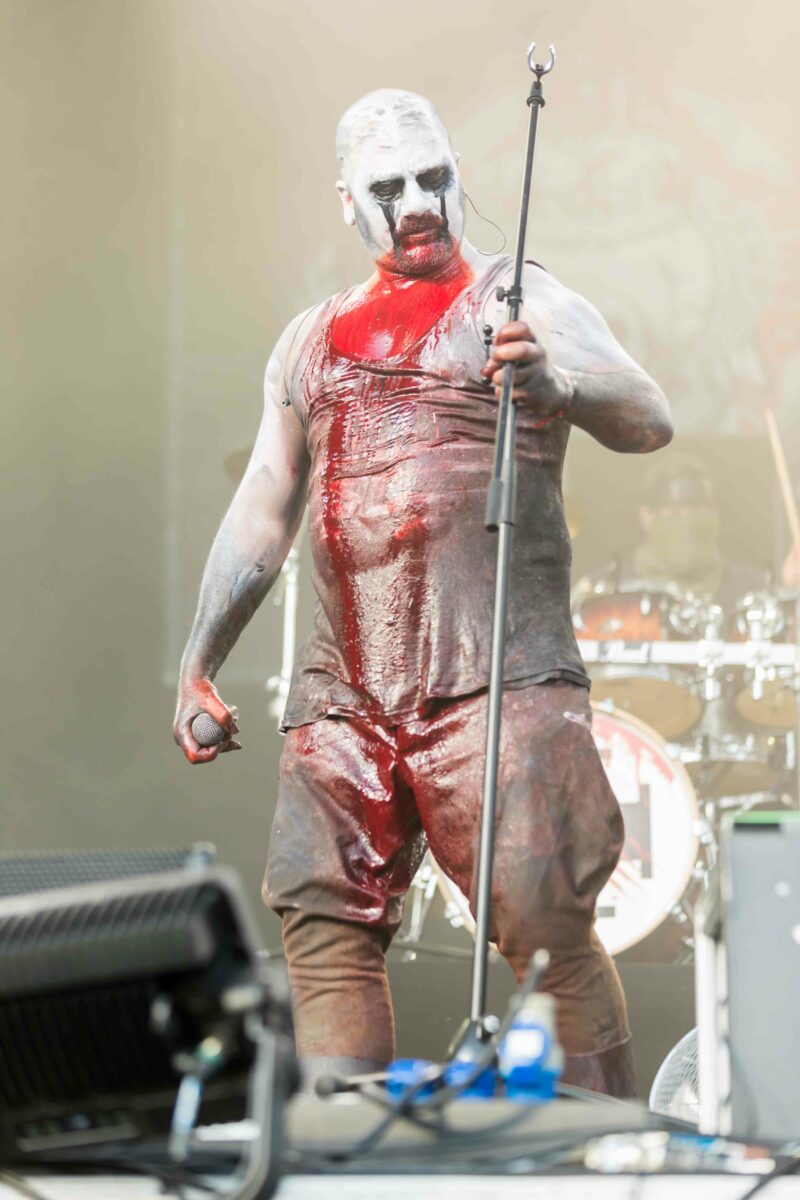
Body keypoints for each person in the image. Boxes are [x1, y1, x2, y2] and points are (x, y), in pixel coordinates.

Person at [173, 89, 672, 1097]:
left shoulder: (517, 298)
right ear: (346, 202)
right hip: (341, 691)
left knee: (543, 919)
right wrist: (199, 662)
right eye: (388, 186)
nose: (415, 203)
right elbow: (263, 503)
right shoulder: (307, 340)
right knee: (323, 921)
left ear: (458, 176)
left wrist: (559, 388)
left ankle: (603, 1150)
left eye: (433, 178)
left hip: (495, 674)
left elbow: (648, 415)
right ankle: (339, 1152)